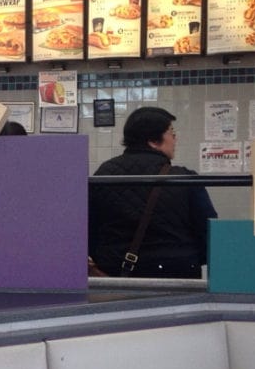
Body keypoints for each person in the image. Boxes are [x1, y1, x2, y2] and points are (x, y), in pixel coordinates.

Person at [89, 106, 216, 279]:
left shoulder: (104, 174)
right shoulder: (185, 179)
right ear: (154, 140)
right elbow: (209, 233)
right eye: (171, 132)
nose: (175, 138)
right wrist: (189, 259)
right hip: (176, 276)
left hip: (115, 275)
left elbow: (89, 229)